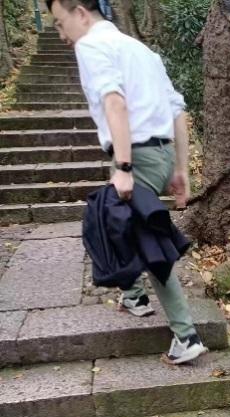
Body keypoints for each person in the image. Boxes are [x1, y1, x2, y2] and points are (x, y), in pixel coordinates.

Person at [47, 0, 206, 365]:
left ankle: (186, 335)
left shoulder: (91, 45)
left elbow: (114, 104)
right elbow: (177, 110)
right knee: (115, 221)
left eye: (59, 22)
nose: (61, 33)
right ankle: (134, 296)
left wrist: (122, 166)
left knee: (147, 241)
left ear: (81, 13)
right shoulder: (142, 51)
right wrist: (180, 169)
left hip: (136, 155)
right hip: (162, 154)